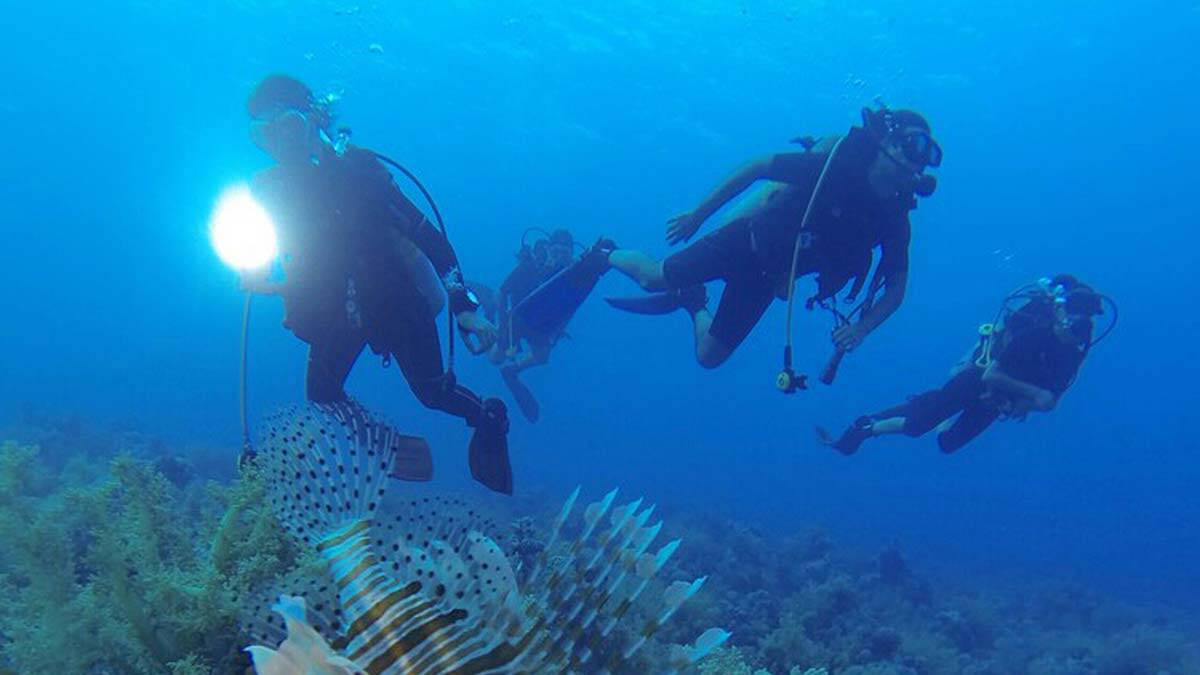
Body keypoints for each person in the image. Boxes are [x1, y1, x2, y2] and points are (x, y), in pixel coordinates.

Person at [238, 74, 514, 494]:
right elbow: (291, 258)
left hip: (396, 307)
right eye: (265, 134)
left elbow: (429, 237)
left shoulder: (358, 171)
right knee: (322, 393)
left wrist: (464, 306)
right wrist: (263, 279)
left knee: (433, 393)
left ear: (313, 120)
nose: (280, 143)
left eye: (288, 127)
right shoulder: (269, 190)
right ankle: (385, 447)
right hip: (337, 312)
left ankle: (488, 417)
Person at [605, 105, 941, 369]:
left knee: (709, 357)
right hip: (741, 242)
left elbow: (896, 289)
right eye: (912, 149)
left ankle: (692, 302)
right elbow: (759, 166)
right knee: (651, 278)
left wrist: (861, 330)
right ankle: (605, 252)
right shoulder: (836, 169)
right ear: (886, 142)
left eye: (924, 160)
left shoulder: (893, 222)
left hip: (769, 278)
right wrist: (698, 215)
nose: (917, 166)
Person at [817, 275, 1113, 455]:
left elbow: (1052, 393)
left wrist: (1025, 402)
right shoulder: (1035, 334)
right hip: (978, 378)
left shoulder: (1077, 348)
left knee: (947, 442)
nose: (1078, 328)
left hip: (1001, 399)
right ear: (1061, 313)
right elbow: (992, 374)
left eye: (1085, 322)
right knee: (917, 426)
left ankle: (930, 404)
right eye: (1073, 319)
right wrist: (1032, 396)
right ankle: (866, 428)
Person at [483, 228, 612, 422]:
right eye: (555, 252)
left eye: (565, 254)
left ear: (571, 255)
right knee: (495, 358)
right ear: (549, 249)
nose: (559, 257)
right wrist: (502, 325)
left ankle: (512, 371)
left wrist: (558, 331)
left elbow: (570, 307)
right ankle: (485, 318)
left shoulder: (570, 276)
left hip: (540, 324)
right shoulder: (530, 267)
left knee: (542, 358)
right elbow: (502, 293)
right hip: (516, 319)